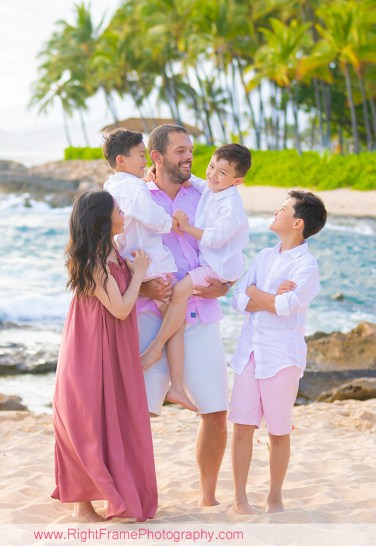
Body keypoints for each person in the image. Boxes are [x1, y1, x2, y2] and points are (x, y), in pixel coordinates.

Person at [136, 124, 231, 507]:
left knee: (216, 410)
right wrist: (141, 287)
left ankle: (208, 497)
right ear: (156, 157)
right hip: (146, 314)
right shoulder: (136, 195)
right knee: (138, 413)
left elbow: (227, 244)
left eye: (190, 149)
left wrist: (225, 284)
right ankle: (137, 494)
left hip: (201, 312)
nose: (189, 156)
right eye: (179, 150)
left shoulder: (208, 195)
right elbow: (117, 251)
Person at [51, 190, 158, 522]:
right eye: (117, 209)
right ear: (102, 219)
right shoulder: (95, 263)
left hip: (110, 346)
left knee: (113, 417)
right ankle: (81, 507)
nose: (123, 212)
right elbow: (122, 309)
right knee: (87, 420)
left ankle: (116, 495)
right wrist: (140, 271)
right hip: (89, 348)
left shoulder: (112, 250)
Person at [228, 190, 327, 515]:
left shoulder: (307, 266)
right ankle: (240, 499)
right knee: (242, 427)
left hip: (282, 357)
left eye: (282, 209)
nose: (276, 211)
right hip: (248, 353)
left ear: (297, 223)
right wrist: (263, 296)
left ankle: (274, 498)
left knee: (279, 430)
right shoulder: (264, 257)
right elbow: (236, 299)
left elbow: (284, 307)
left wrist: (256, 293)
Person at [101, 128, 195, 411]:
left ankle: (171, 382)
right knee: (176, 320)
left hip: (131, 257)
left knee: (172, 315)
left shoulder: (111, 186)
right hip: (152, 259)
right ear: (121, 160)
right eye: (140, 156)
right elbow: (150, 216)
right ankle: (175, 384)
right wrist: (170, 222)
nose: (145, 162)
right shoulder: (134, 187)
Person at [140, 144, 250, 378]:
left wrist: (187, 226)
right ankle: (164, 350)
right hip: (209, 263)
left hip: (216, 267)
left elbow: (215, 239)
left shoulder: (231, 206)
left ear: (237, 181)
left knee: (179, 292)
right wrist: (154, 172)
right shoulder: (213, 187)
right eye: (211, 167)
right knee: (177, 294)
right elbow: (200, 182)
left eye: (222, 173)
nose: (213, 175)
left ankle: (156, 348)